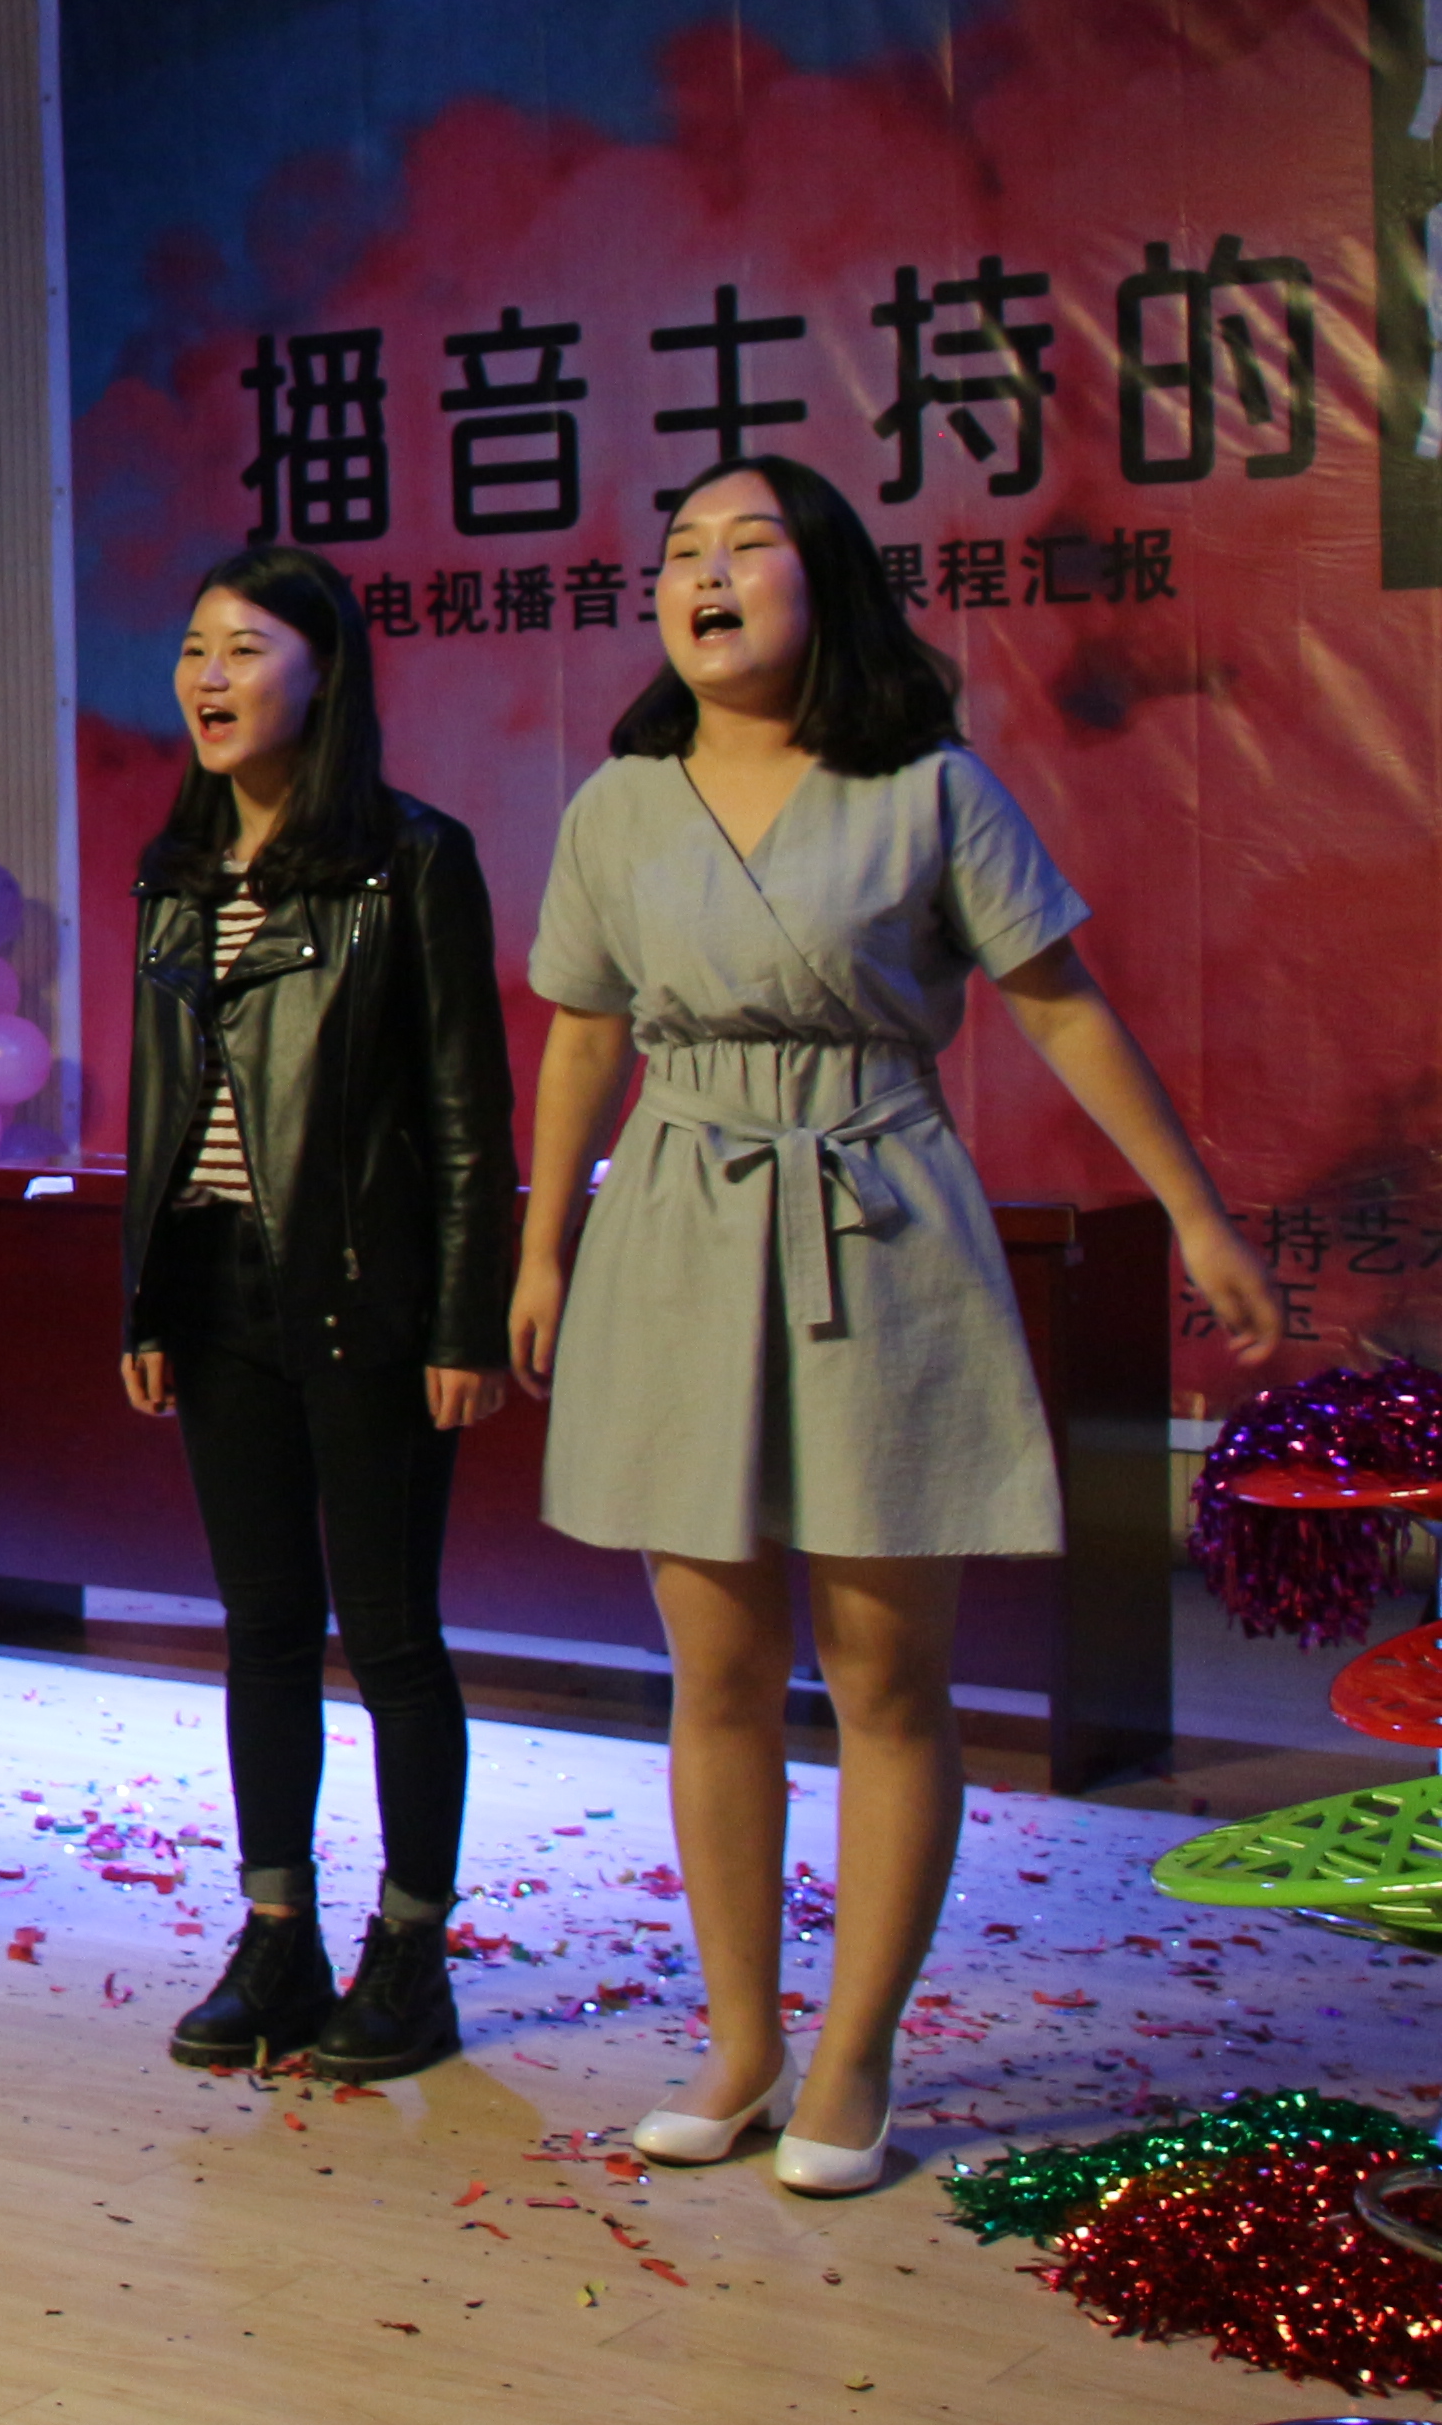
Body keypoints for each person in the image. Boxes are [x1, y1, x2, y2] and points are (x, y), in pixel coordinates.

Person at [514, 453, 1283, 2195]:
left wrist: (1190, 1210)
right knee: (713, 1668)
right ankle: (739, 2043)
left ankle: (853, 2053)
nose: (704, 574)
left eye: (747, 545)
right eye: (680, 551)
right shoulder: (615, 805)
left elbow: (1059, 1004)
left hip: (879, 1219)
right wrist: (542, 1246)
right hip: (679, 1218)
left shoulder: (927, 786)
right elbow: (580, 1034)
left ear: (826, 582)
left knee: (883, 1671)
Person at [111, 543, 516, 2082]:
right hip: (216, 1285)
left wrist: (464, 1320)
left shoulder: (411, 860)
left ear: (323, 672)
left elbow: (468, 1110)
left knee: (393, 1634)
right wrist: (147, 1295)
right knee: (265, 1627)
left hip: (366, 1294)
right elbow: (163, 1105)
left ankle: (411, 1953)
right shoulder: (175, 870)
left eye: (244, 650)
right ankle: (278, 1934)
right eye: (194, 649)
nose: (207, 679)